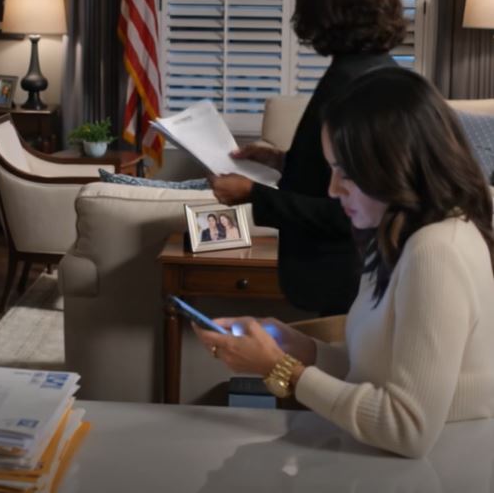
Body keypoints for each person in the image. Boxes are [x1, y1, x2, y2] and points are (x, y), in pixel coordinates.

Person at [193, 68, 494, 458]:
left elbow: (407, 428)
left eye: (346, 174)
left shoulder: (437, 252)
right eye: (331, 169)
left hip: (444, 468)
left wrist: (281, 369)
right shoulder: (394, 236)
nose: (333, 190)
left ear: (396, 167)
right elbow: (373, 372)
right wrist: (297, 347)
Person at [209, 0, 403, 315]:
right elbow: (340, 175)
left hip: (346, 284)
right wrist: (282, 160)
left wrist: (253, 194)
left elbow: (352, 210)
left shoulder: (352, 85)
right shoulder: (372, 70)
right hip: (349, 280)